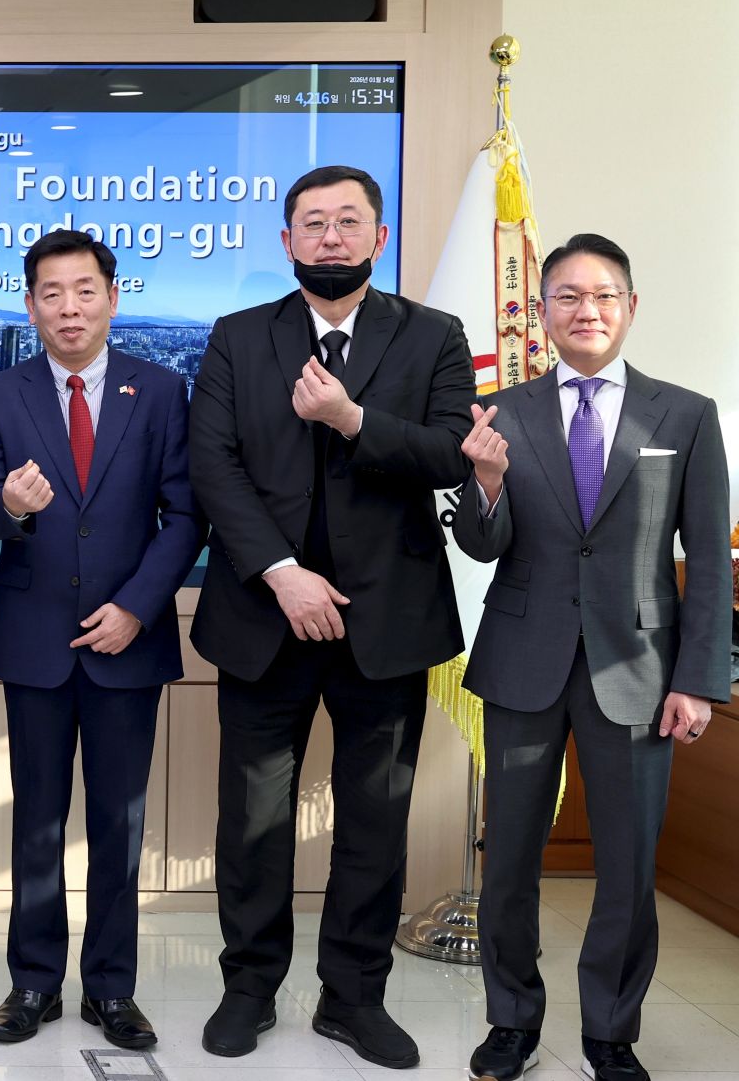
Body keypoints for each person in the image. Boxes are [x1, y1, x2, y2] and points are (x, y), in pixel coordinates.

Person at [188, 165, 475, 1068]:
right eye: (313, 223)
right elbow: (213, 466)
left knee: (374, 822)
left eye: (349, 221)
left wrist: (353, 418)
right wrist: (284, 575)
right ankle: (248, 988)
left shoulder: (434, 335)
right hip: (265, 616)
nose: (331, 236)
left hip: (386, 624)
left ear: (379, 238)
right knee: (253, 819)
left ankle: (353, 998)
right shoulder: (239, 336)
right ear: (287, 241)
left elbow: (451, 454)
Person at [456, 234, 730, 1081]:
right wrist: (486, 484)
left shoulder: (685, 413)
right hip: (523, 662)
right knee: (509, 859)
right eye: (568, 296)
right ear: (541, 312)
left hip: (640, 671)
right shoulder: (499, 410)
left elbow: (708, 560)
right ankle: (511, 1021)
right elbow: (479, 543)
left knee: (627, 865)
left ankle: (611, 1031)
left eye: (604, 294)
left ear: (631, 307)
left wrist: (697, 679)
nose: (587, 310)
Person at [0, 230, 202, 1048]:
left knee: (118, 824)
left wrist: (137, 605)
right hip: (34, 639)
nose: (69, 307)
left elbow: (185, 514)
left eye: (84, 290)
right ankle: (33, 982)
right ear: (30, 305)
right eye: (52, 293)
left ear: (112, 296)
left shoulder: (160, 389)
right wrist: (12, 505)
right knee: (37, 820)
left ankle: (111, 987)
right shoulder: (1, 392)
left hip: (127, 640)